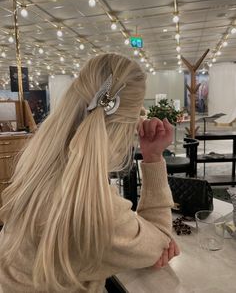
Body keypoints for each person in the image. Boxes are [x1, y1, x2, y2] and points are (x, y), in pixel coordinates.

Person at [0, 53, 179, 293]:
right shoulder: (94, 209)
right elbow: (160, 241)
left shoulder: (35, 168)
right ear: (126, 125)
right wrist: (154, 158)